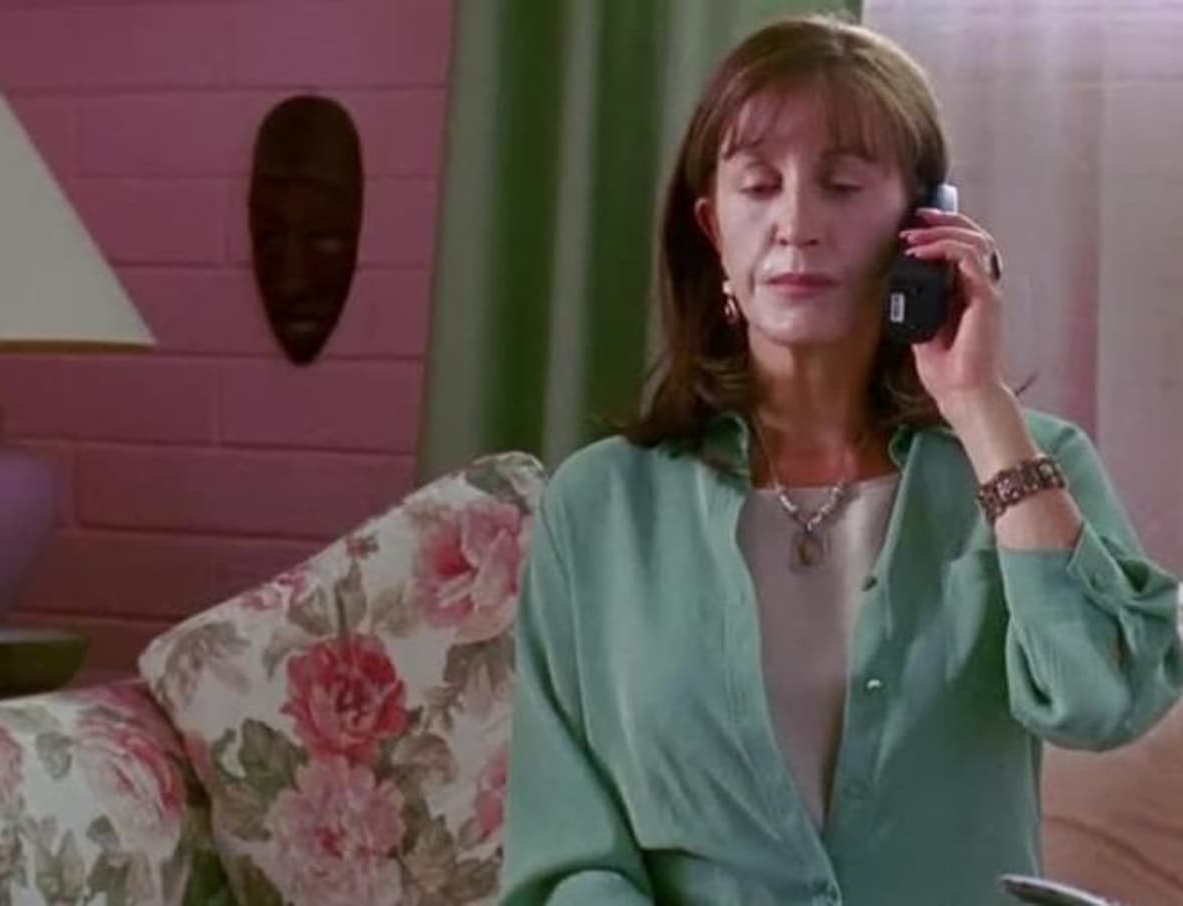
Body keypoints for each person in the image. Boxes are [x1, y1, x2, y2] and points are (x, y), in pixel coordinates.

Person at [499, 13, 1182, 906]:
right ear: (712, 228)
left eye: (843, 185)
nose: (795, 224)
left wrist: (978, 406)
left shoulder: (1027, 463)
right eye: (758, 186)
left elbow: (1107, 699)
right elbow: (568, 857)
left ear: (923, 224)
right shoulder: (601, 507)